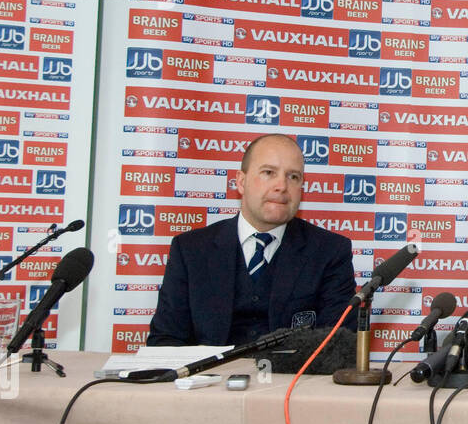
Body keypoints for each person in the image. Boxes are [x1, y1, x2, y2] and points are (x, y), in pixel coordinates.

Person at [146, 133, 357, 346]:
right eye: (268, 172)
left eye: (293, 177)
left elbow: (338, 344)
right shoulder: (190, 250)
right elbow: (165, 340)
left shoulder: (330, 251)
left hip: (290, 378)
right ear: (241, 181)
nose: (282, 186)